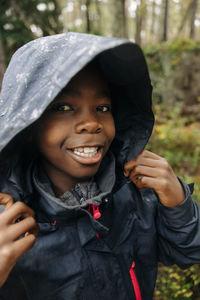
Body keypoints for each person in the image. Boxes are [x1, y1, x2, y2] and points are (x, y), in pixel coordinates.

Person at [0, 32, 199, 300]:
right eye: (63, 107)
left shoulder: (136, 193)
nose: (91, 122)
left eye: (103, 108)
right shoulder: (8, 226)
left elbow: (189, 251)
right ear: (29, 123)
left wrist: (177, 204)